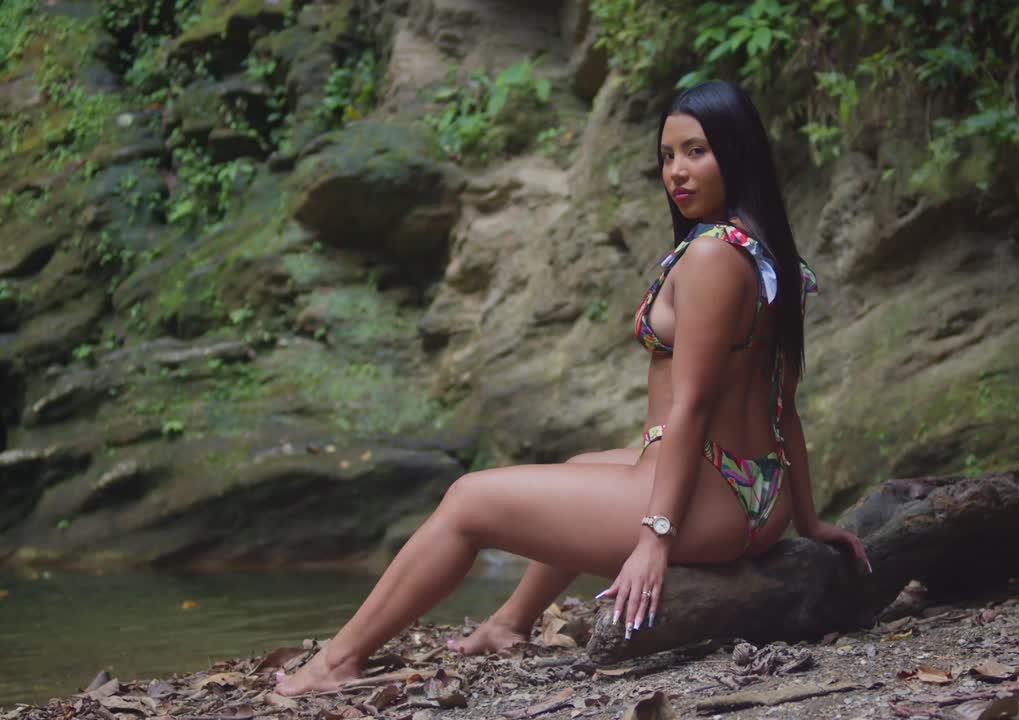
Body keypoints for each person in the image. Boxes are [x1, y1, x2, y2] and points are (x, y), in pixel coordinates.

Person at [275, 79, 870, 696]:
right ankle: (509, 623)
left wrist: (654, 539)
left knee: (468, 501)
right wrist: (806, 520)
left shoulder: (712, 257)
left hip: (710, 500)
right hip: (759, 495)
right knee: (580, 467)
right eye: (667, 156)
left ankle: (335, 664)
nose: (677, 172)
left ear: (738, 152)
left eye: (697, 152)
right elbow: (782, 405)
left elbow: (692, 405)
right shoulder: (772, 255)